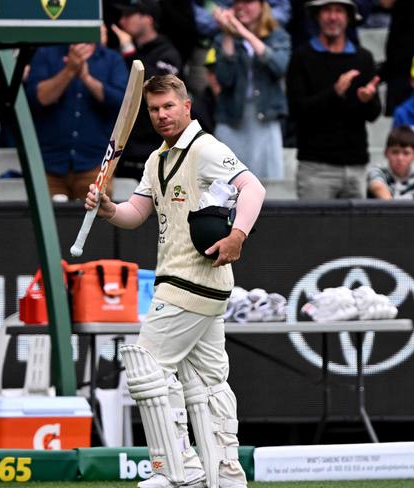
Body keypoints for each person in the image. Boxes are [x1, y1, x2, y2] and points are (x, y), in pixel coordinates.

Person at [85, 74, 265, 488]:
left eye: (169, 106)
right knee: (207, 381)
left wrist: (237, 235)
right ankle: (226, 473)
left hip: (190, 281)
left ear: (187, 106)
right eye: (153, 109)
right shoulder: (156, 160)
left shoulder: (205, 149)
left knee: (146, 368)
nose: (161, 115)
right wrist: (108, 208)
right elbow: (136, 214)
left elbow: (252, 188)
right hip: (192, 283)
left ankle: (176, 468)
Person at [286, 0, 381, 199]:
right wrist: (334, 93)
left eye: (339, 11)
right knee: (314, 230)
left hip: (356, 167)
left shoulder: (363, 58)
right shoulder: (301, 57)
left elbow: (373, 114)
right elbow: (297, 110)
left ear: (348, 17)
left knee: (356, 231)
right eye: (327, 10)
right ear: (317, 16)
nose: (333, 17)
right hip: (315, 167)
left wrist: (368, 100)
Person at [25, 39, 128, 200]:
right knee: (49, 222)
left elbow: (121, 103)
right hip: (49, 164)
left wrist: (86, 78)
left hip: (95, 164)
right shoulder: (46, 53)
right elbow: (38, 98)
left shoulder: (112, 59)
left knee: (95, 222)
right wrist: (69, 71)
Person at [212, 0, 291, 179]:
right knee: (226, 183)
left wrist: (244, 33)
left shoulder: (278, 35)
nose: (241, 6)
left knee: (266, 183)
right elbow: (225, 79)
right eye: (236, 2)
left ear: (262, 5)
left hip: (264, 117)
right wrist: (229, 36)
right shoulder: (221, 38)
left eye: (248, 1)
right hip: (232, 117)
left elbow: (279, 66)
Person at [110, 0, 184, 180]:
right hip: (127, 145)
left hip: (156, 144)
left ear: (148, 19)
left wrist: (129, 52)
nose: (122, 21)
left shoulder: (167, 51)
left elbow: (160, 87)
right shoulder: (121, 51)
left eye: (129, 15)